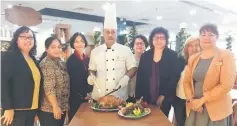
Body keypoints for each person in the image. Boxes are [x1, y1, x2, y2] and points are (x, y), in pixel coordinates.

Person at [184, 24, 236, 126]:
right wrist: (191, 100)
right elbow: (186, 81)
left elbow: (226, 85)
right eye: (203, 35)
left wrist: (202, 100)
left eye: (211, 35)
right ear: (199, 37)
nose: (206, 37)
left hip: (216, 110)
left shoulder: (225, 55)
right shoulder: (193, 58)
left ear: (217, 37)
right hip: (196, 108)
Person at [87, 3, 137, 100]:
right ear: (103, 34)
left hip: (119, 96)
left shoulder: (125, 50)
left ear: (116, 33)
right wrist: (91, 76)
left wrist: (126, 78)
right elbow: (91, 69)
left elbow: (133, 68)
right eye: (107, 32)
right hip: (99, 96)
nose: (110, 34)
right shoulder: (95, 51)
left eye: (113, 32)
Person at [135, 27, 182, 117]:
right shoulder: (145, 55)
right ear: (152, 39)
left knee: (161, 119)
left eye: (162, 38)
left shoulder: (172, 55)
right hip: (146, 95)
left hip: (165, 96)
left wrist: (164, 95)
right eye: (156, 37)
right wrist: (138, 96)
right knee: (146, 118)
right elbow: (140, 76)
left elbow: (174, 77)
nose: (159, 40)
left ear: (166, 40)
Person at [1, 26, 41, 126]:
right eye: (23, 37)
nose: (27, 40)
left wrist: (37, 109)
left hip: (31, 109)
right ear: (16, 40)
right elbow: (3, 83)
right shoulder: (9, 56)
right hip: (16, 110)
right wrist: (8, 108)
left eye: (31, 37)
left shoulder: (33, 60)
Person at [38, 37, 70, 126]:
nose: (57, 49)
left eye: (59, 47)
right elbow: (49, 88)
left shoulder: (59, 62)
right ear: (46, 49)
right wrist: (55, 106)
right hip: (50, 110)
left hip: (60, 108)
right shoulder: (46, 64)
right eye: (53, 47)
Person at [174, 36, 201, 126]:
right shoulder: (180, 61)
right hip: (179, 99)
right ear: (186, 48)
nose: (194, 48)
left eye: (197, 45)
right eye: (190, 45)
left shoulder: (204, 63)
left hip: (195, 101)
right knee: (180, 123)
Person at [67, 32, 92, 122]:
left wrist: (90, 92)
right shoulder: (71, 60)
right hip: (76, 98)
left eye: (81, 41)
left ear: (85, 43)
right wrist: (84, 94)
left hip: (87, 98)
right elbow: (72, 81)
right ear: (73, 44)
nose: (79, 44)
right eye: (76, 42)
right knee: (76, 121)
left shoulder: (88, 59)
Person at [127, 35, 148, 100]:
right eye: (137, 44)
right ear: (133, 46)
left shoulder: (149, 59)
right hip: (129, 92)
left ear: (145, 46)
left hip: (144, 94)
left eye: (141, 43)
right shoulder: (128, 59)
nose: (139, 45)